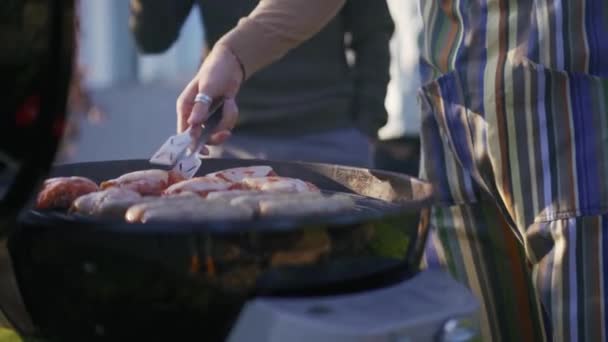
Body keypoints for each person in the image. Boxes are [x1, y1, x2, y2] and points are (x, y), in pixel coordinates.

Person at [176, 1, 608, 341]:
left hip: (572, 106)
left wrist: (363, 123)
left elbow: (372, 31)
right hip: (453, 115)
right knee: (474, 324)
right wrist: (235, 53)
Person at [129, 0, 394, 168]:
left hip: (329, 141)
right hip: (227, 142)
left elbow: (373, 31)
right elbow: (153, 38)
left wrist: (367, 123)